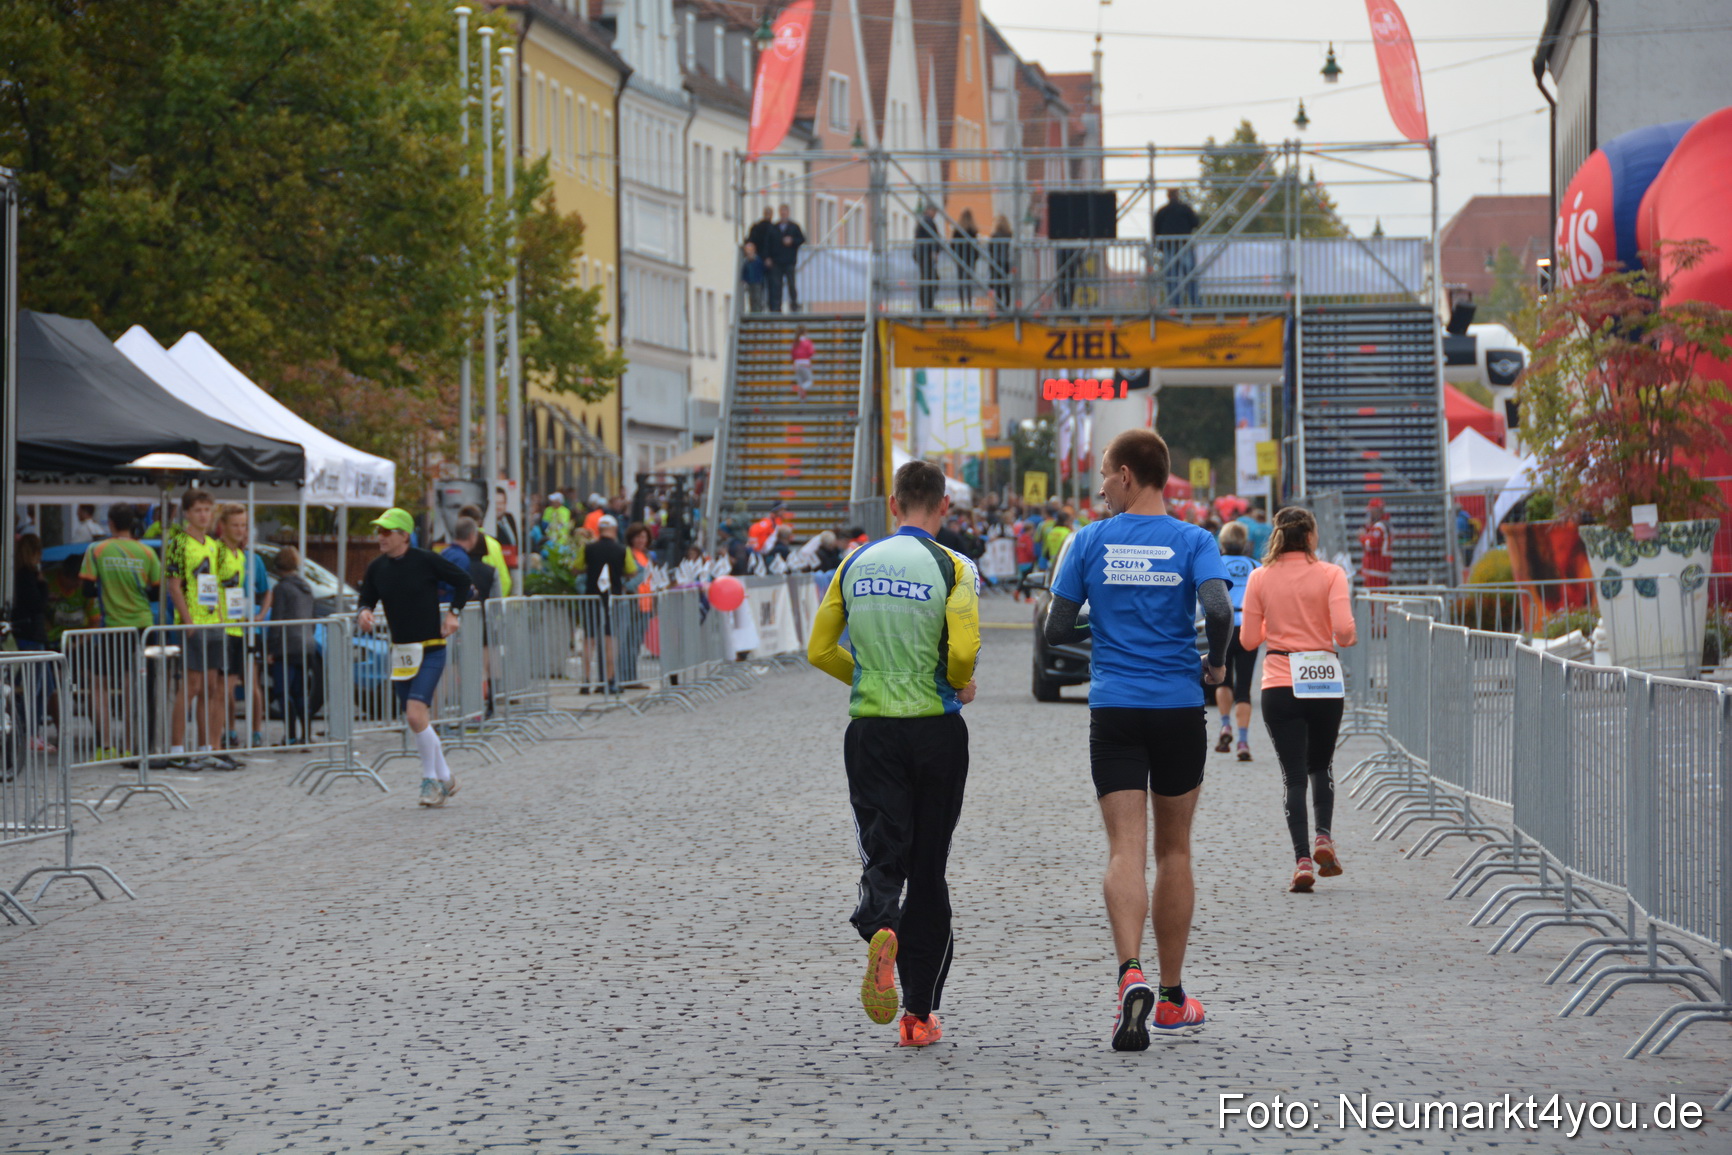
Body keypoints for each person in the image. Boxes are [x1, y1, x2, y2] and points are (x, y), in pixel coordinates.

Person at [1043, 428, 1232, 1052]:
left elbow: (1055, 629)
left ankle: (1130, 974)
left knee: (1125, 848)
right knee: (1174, 851)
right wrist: (1215, 666)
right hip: (1177, 706)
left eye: (1104, 474)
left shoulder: (1087, 540)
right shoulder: (1195, 540)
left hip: (1115, 709)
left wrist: (1103, 629)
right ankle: (1173, 999)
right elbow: (1218, 611)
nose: (1101, 487)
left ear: (1126, 474)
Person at [807, 459, 981, 1048]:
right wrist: (956, 683)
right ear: (944, 506)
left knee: (883, 847)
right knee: (930, 870)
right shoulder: (955, 566)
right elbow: (962, 654)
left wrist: (868, 677)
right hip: (936, 730)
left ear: (892, 503)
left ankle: (881, 921)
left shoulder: (855, 561)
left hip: (873, 729)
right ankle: (917, 1016)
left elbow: (819, 649)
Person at [1236, 506, 1357, 893]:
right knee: (1321, 765)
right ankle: (1324, 837)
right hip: (1323, 681)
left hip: (1279, 680)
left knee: (1293, 775)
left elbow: (1249, 640)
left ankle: (1302, 861)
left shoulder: (1259, 576)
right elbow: (1345, 633)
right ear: (1308, 536)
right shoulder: (1331, 574)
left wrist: (1274, 624)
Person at [357, 507, 473, 808]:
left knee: (414, 714)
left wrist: (454, 613)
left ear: (404, 535)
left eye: (386, 531)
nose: (380, 537)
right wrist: (364, 612)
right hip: (402, 654)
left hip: (431, 649)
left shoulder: (426, 560)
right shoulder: (377, 567)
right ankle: (446, 777)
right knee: (418, 720)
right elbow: (366, 597)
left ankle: (430, 781)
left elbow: (464, 582)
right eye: (379, 531)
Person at [163, 489, 237, 769]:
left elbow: (215, 583)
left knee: (211, 686)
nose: (204, 515)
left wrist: (221, 617)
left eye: (207, 509)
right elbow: (174, 585)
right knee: (191, 686)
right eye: (198, 510)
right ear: (187, 513)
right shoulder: (179, 542)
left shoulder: (214, 545)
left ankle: (207, 747)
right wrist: (187, 620)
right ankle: (177, 748)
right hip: (193, 622)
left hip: (213, 621)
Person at [79, 505, 160, 757]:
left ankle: (106, 745)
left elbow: (87, 590)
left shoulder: (96, 549)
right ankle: (127, 746)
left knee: (99, 685)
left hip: (112, 626)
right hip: (142, 626)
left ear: (110, 522)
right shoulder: (147, 551)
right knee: (131, 687)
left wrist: (109, 585)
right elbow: (156, 591)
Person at [215, 504, 273, 750]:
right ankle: (228, 731)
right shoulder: (218, 555)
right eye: (237, 526)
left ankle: (256, 731)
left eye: (244, 527)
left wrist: (261, 614)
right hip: (228, 628)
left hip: (250, 630)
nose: (242, 532)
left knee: (251, 684)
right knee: (226, 687)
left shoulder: (253, 559)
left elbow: (267, 590)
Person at [1211, 522, 1261, 761]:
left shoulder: (1215, 563)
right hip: (1248, 627)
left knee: (1222, 679)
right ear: (1245, 544)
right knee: (1244, 688)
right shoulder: (1255, 566)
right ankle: (1243, 741)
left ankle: (1225, 725)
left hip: (1223, 626)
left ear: (1222, 542)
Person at [266, 547, 322, 748]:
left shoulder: (281, 588)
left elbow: (277, 620)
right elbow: (313, 619)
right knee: (300, 693)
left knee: (283, 691)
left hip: (286, 646)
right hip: (306, 644)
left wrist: (271, 649)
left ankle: (289, 735)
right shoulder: (306, 587)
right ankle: (305, 734)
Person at [582, 514, 636, 694]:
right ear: (614, 529)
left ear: (599, 530)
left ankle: (585, 681)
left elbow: (577, 567)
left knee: (588, 640)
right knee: (610, 640)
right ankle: (610, 680)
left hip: (591, 598)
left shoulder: (588, 548)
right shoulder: (622, 549)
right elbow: (632, 570)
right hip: (612, 599)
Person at [1154, 187, 1200, 308]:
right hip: (1184, 245)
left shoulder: (1162, 211)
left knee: (1171, 277)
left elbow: (1156, 230)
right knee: (1189, 275)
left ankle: (1175, 304)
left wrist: (1159, 246)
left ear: (1168, 196)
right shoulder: (1185, 209)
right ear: (1178, 195)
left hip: (1169, 246)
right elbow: (1195, 222)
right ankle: (1195, 303)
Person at [457, 503, 513, 598]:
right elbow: (505, 580)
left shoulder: (461, 545)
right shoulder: (494, 544)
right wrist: (495, 599)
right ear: (479, 521)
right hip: (489, 598)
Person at [768, 203, 805, 313]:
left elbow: (802, 239)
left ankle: (794, 305)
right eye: (781, 211)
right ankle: (777, 307)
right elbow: (768, 243)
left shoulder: (794, 227)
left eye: (785, 211)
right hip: (777, 261)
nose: (783, 213)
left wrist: (792, 241)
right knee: (777, 285)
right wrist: (768, 257)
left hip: (789, 261)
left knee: (791, 284)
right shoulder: (774, 228)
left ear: (788, 213)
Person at [914, 203, 943, 311]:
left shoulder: (923, 220)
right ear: (929, 210)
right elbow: (934, 237)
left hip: (923, 254)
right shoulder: (928, 221)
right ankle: (927, 306)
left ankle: (927, 306)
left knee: (928, 279)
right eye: (934, 211)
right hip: (926, 254)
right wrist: (935, 251)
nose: (935, 214)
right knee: (930, 279)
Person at [1359, 498, 1392, 589]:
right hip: (1377, 570)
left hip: (1377, 570)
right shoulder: (1381, 525)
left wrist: (1362, 537)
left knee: (1375, 595)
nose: (1370, 514)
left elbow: (1372, 544)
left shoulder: (1379, 527)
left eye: (1371, 511)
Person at [951, 207, 980, 307]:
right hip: (971, 258)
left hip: (960, 258)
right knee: (969, 282)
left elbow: (952, 245)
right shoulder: (973, 230)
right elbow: (976, 245)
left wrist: (956, 255)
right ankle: (969, 303)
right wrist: (976, 256)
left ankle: (962, 303)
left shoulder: (957, 230)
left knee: (961, 281)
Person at [988, 214, 1015, 309]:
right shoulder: (1009, 235)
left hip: (996, 262)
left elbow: (990, 249)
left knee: (997, 284)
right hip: (1005, 261)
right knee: (1005, 283)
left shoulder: (994, 236)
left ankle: (999, 305)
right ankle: (1007, 303)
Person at [740, 240, 768, 313]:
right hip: (750, 282)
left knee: (757, 297)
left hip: (757, 281)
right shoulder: (746, 262)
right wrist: (744, 279)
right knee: (751, 297)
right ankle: (753, 310)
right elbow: (744, 271)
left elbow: (763, 269)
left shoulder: (758, 260)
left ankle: (758, 310)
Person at [790, 325, 815, 400]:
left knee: (800, 382)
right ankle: (802, 388)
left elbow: (792, 354)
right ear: (805, 332)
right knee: (809, 382)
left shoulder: (795, 343)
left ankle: (801, 401)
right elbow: (811, 352)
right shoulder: (807, 342)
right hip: (805, 364)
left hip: (797, 364)